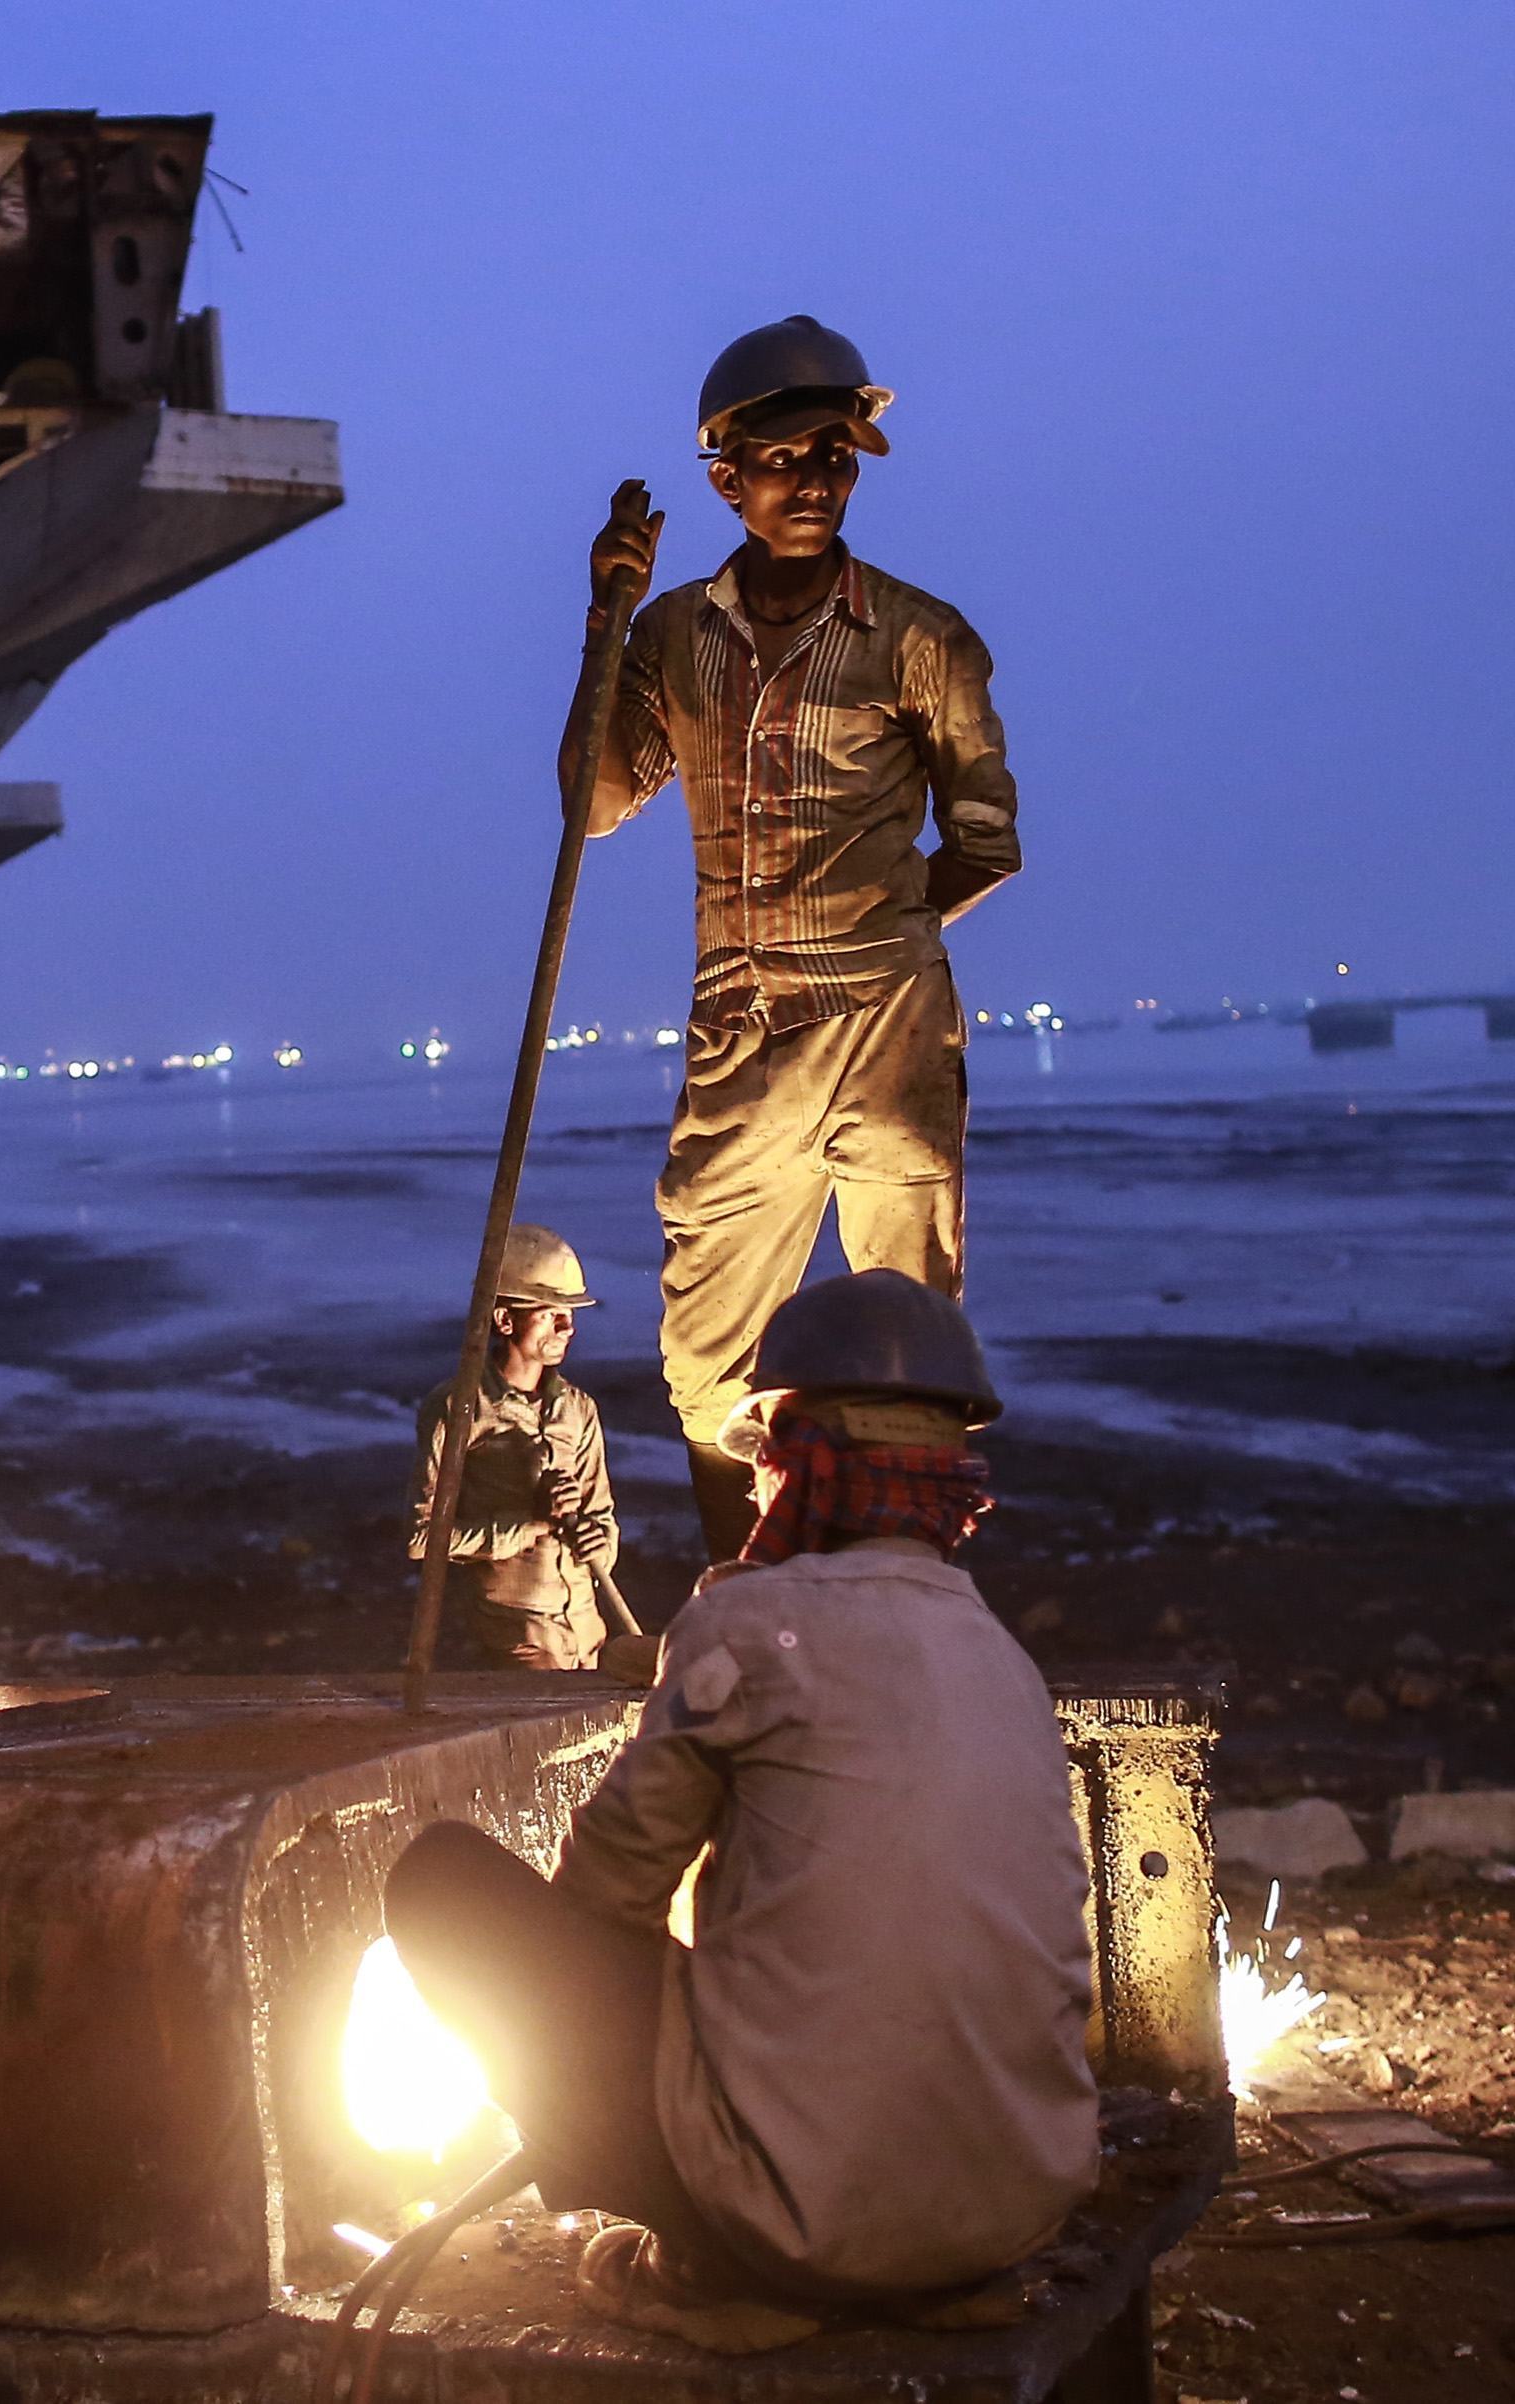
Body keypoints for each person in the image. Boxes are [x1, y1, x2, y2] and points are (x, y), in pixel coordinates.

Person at [382, 1271, 1090, 2351]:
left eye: (763, 1468)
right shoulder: (1006, 1665)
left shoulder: (745, 1624)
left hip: (791, 2227)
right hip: (1010, 2215)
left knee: (439, 1883)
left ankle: (716, 2264)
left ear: (789, 1464)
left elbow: (602, 1897)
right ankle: (930, 2272)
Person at [566, 316, 1020, 1561]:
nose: (817, 480)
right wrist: (601, 626)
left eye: (839, 457)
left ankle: (906, 1594)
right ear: (726, 477)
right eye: (787, 459)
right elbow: (592, 804)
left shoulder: (921, 637)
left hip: (887, 1023)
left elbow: (984, 836)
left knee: (907, 1326)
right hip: (738, 1027)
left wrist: (879, 934)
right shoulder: (669, 636)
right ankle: (741, 1594)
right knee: (707, 1348)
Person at [405, 1225, 618, 1670]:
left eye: (570, 1314)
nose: (567, 1327)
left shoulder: (578, 1409)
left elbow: (603, 1522)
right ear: (505, 1321)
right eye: (550, 1313)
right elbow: (423, 1539)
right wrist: (533, 1524)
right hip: (517, 1640)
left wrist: (598, 1542)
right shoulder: (457, 1408)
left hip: (588, 1636)